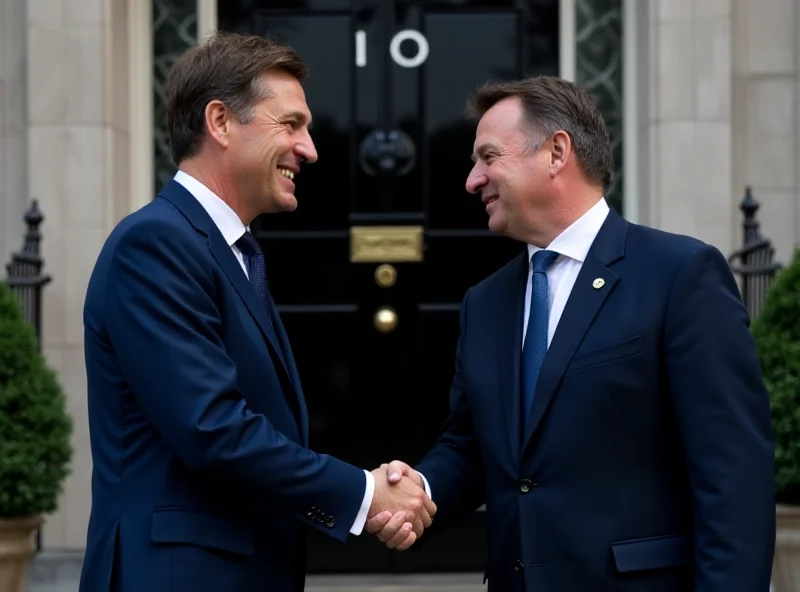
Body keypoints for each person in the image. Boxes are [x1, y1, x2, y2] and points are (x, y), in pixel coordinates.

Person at [366, 76, 776, 591]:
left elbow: (733, 477)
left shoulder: (680, 275)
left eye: (488, 157)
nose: (473, 180)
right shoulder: (486, 302)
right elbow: (471, 445)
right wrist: (419, 493)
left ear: (557, 152)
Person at [79, 32, 434, 592]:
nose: (311, 148)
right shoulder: (155, 244)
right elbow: (213, 429)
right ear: (219, 122)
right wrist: (364, 495)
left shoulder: (231, 250)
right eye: (290, 125)